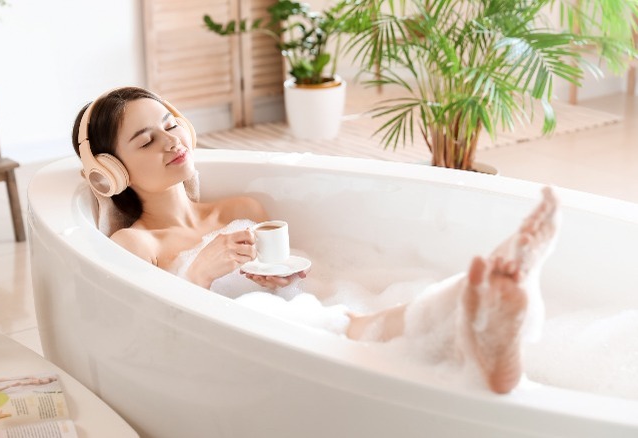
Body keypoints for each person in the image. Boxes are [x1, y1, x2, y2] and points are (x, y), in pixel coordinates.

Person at [72, 86, 559, 394]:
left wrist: (294, 278)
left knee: (354, 321)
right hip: (245, 362)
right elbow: (149, 345)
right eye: (146, 141)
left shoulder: (243, 211)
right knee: (355, 327)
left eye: (171, 126)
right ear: (112, 172)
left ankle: (482, 319)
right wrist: (198, 271)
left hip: (306, 324)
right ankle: (479, 308)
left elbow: (308, 291)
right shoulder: (139, 247)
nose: (171, 141)